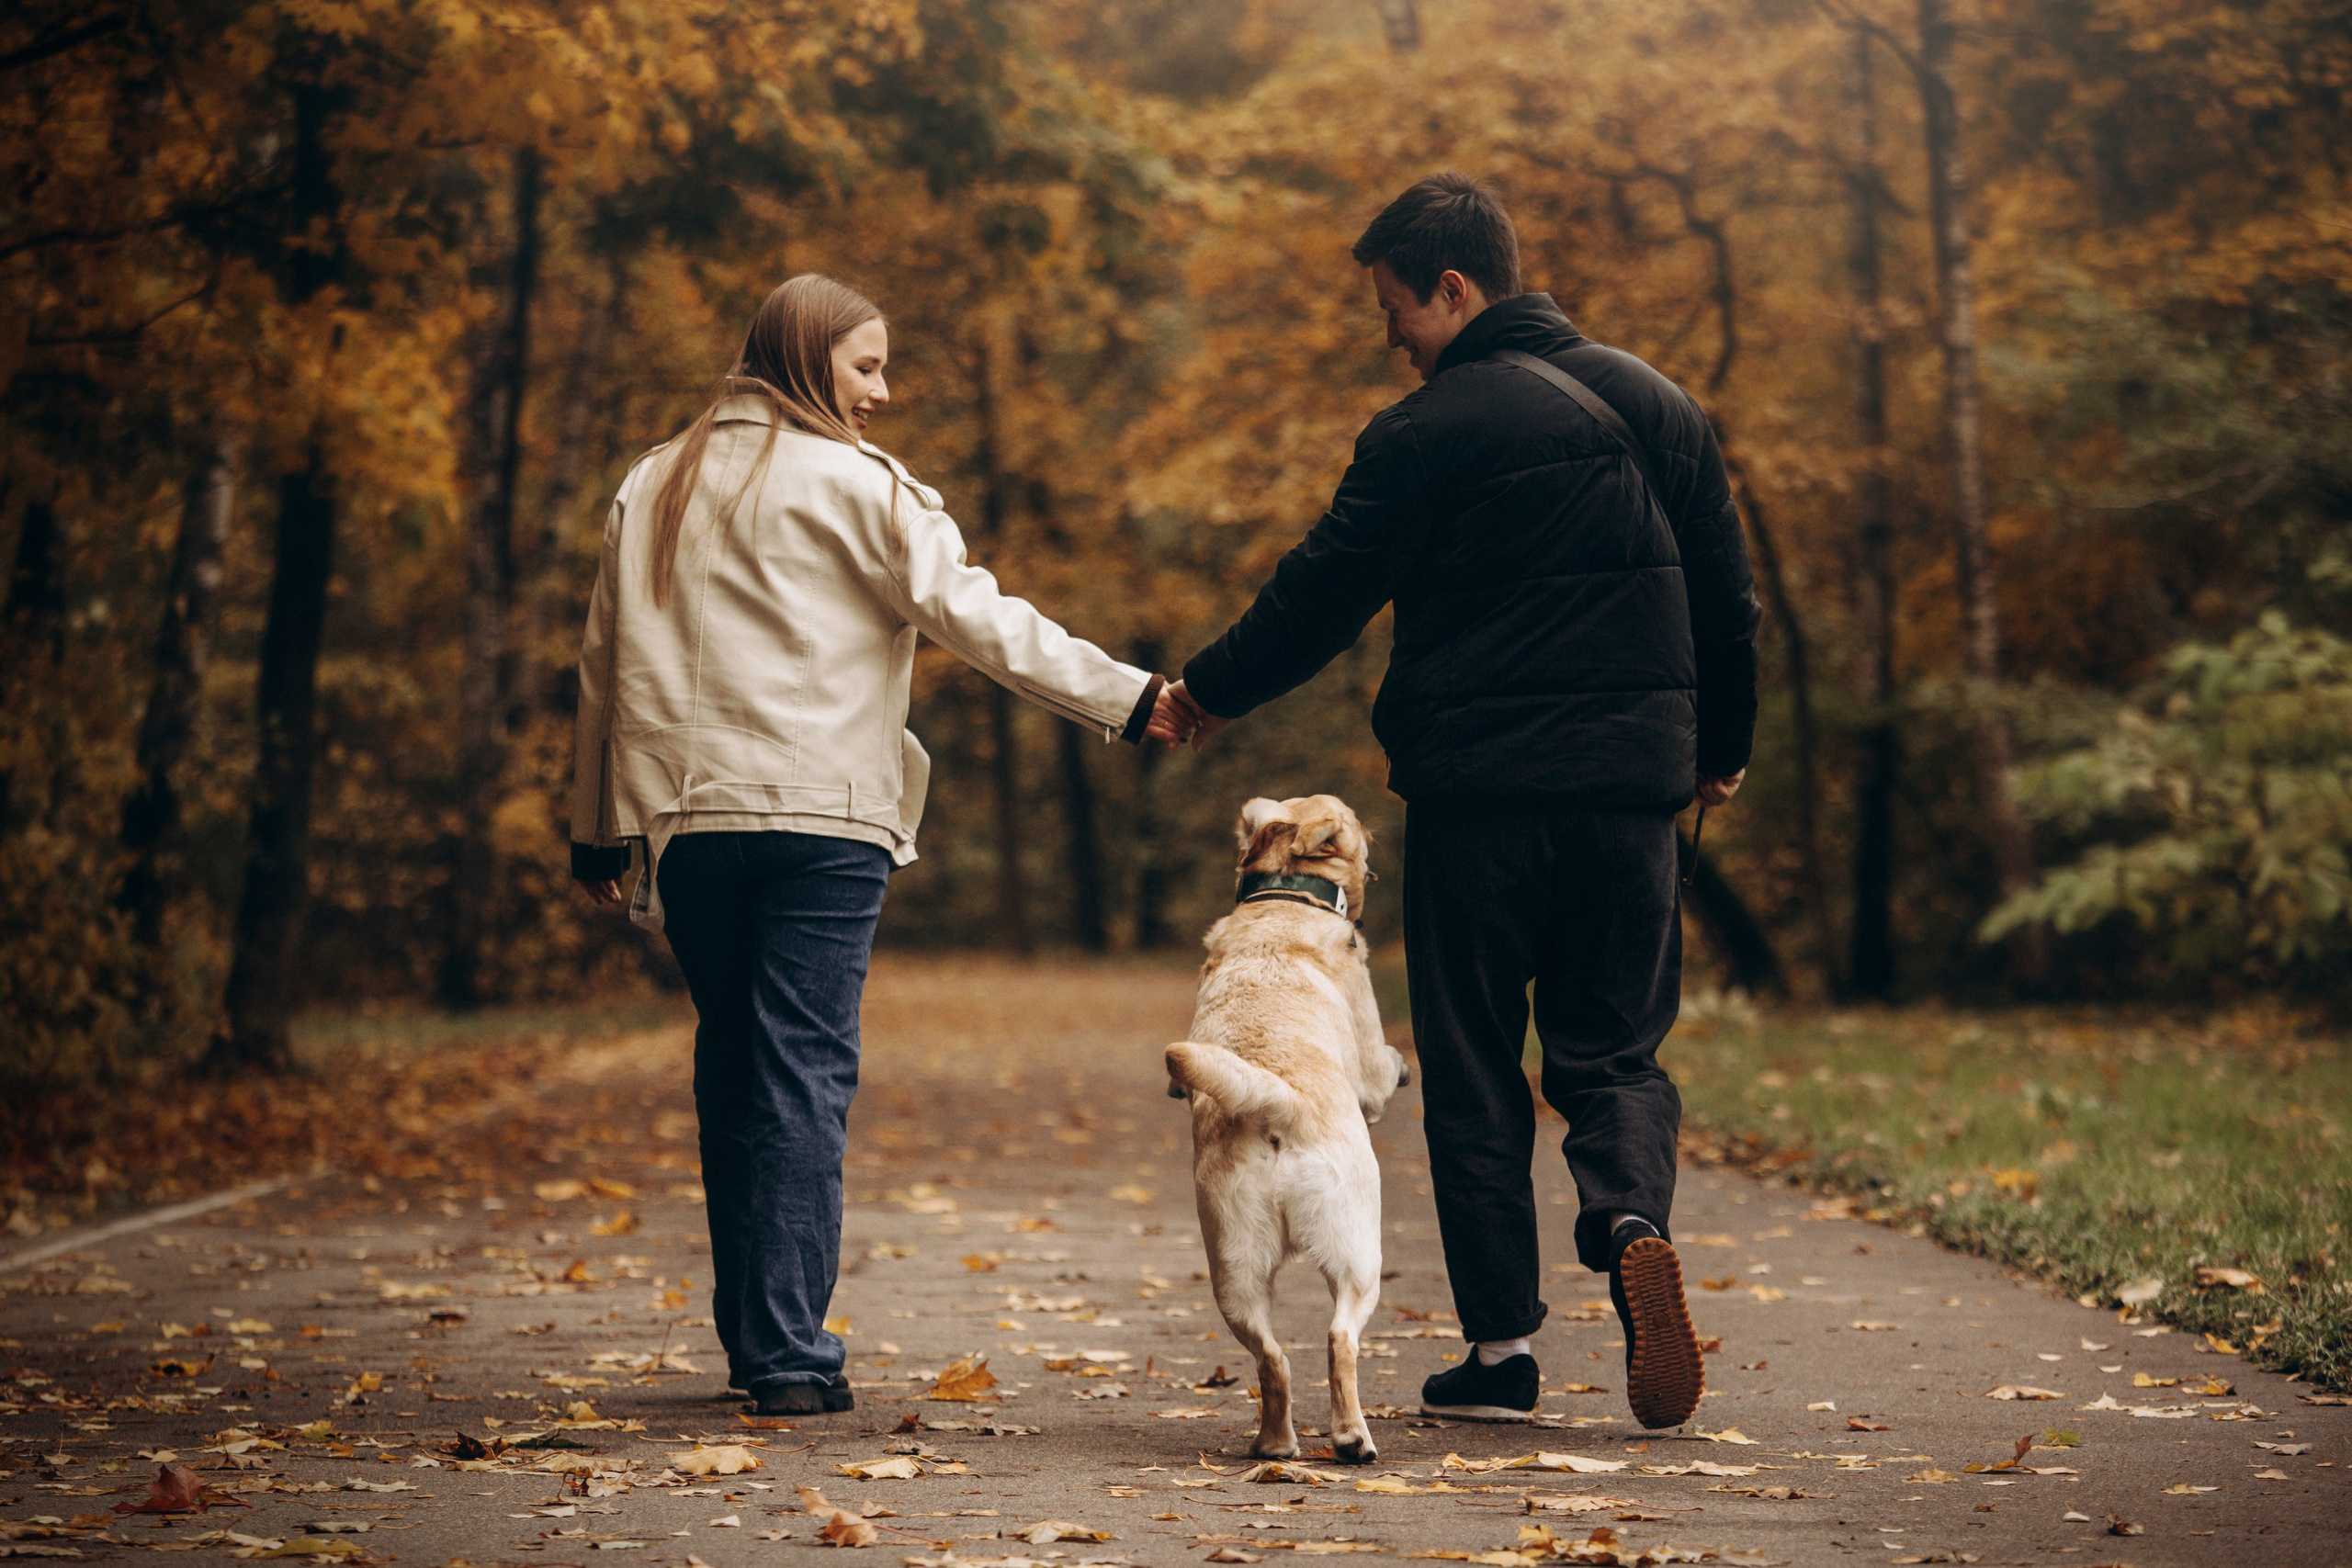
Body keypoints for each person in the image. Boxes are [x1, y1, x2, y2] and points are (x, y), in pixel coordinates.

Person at [1160, 174, 1759, 1430]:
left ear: (1453, 286)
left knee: (1479, 1064)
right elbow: (1726, 596)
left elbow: (1319, 594)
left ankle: (1500, 1351)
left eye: (1396, 308)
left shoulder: (1421, 433)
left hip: (1480, 800)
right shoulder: (1661, 404)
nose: (1392, 336)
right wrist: (1719, 746)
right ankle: (1630, 1215)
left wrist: (1205, 690)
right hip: (1632, 792)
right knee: (1612, 1049)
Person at [569, 274, 1192, 1416]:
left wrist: (593, 825)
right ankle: (791, 1360)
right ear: (807, 360)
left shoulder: (653, 480)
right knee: (799, 1067)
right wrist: (1127, 694)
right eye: (865, 367)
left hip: (688, 817)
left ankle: (758, 1338)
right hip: (823, 820)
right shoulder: (866, 489)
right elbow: (981, 620)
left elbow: (602, 662)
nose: (883, 392)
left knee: (736, 1062)